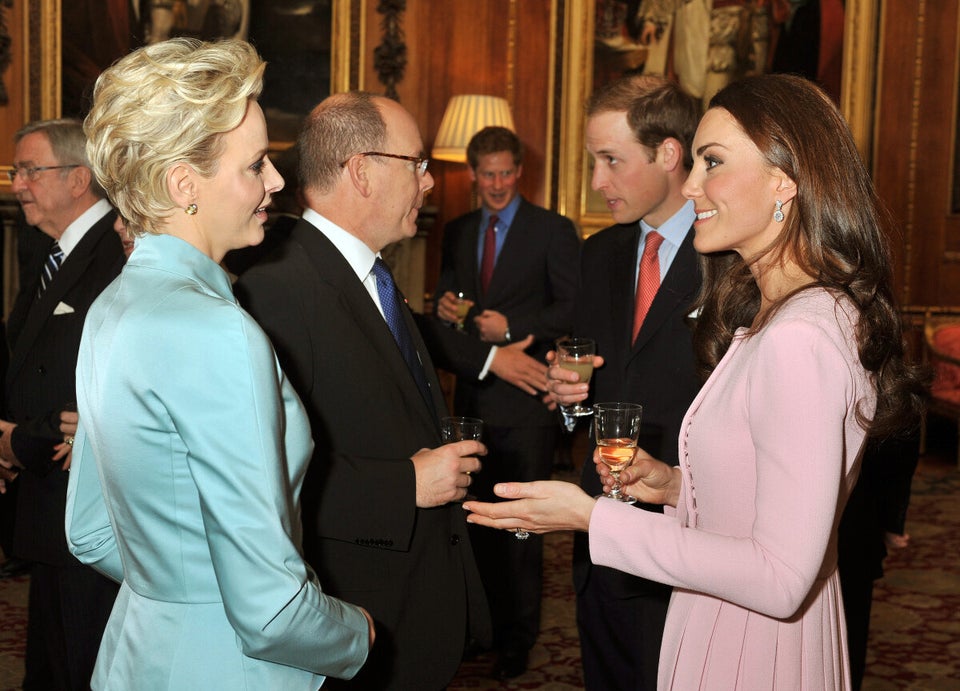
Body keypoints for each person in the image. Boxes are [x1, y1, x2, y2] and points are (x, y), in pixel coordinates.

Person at [464, 73, 929, 689]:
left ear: (783, 180)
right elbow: (767, 497)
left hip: (749, 642)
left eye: (712, 162)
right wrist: (676, 484)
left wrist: (591, 519)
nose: (689, 185)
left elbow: (781, 575)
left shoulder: (800, 333)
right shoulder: (787, 311)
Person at [64, 38, 373, 689]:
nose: (277, 181)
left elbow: (90, 530)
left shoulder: (112, 306)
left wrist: (184, 588)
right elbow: (271, 610)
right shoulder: (215, 329)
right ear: (184, 183)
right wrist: (356, 634)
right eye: (255, 164)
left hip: (137, 652)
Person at [234, 90, 491, 690]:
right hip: (351, 616)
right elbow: (257, 479)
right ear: (362, 171)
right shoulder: (276, 286)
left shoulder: (364, 269)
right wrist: (407, 484)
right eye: (417, 164)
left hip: (408, 603)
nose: (428, 184)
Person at [545, 75, 701, 690]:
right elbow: (587, 394)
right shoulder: (600, 254)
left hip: (690, 533)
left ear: (668, 154)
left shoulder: (732, 258)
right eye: (594, 161)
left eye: (612, 160)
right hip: (601, 530)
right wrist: (567, 399)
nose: (596, 182)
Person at [425, 125, 579, 680]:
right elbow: (449, 306)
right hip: (471, 400)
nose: (496, 183)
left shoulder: (552, 230)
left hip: (526, 402)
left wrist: (513, 325)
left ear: (520, 172)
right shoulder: (460, 229)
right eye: (486, 174)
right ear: (472, 174)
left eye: (505, 173)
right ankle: (480, 629)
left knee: (521, 529)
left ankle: (518, 639)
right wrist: (452, 310)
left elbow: (570, 310)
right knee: (470, 522)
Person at [0, 118, 124, 690]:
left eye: (30, 170)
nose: (17, 184)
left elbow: (101, 397)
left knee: (80, 668)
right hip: (46, 499)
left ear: (79, 179)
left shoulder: (116, 256)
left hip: (86, 512)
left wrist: (18, 441)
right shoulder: (50, 250)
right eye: (16, 171)